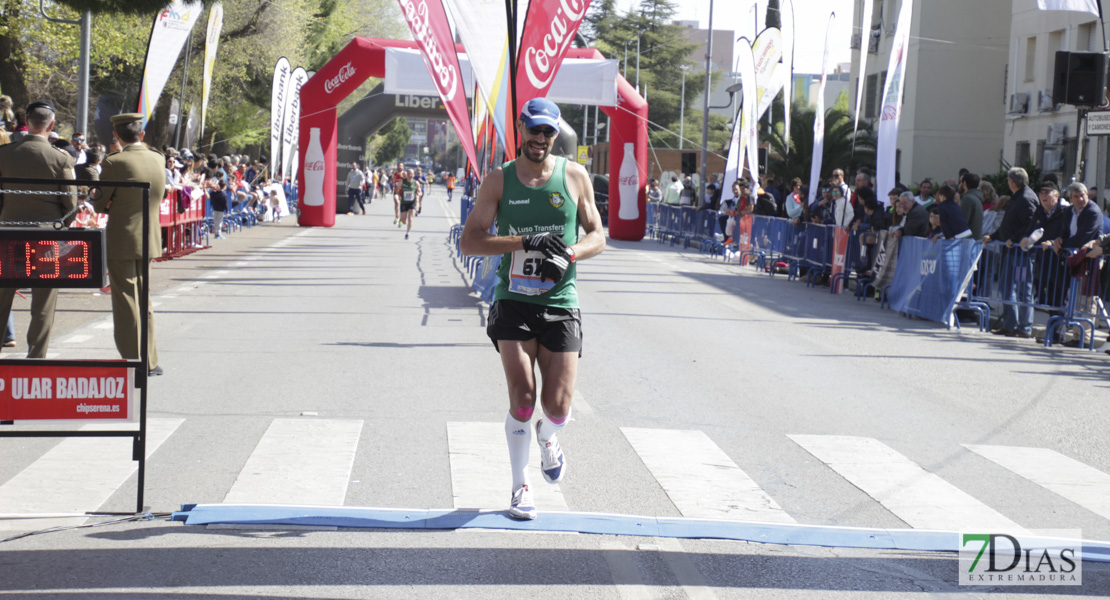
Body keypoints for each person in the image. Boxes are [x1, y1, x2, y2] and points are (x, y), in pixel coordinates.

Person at [459, 97, 605, 521]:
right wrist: (526, 242)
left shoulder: (574, 176)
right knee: (523, 399)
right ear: (521, 129)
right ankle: (520, 486)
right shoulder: (499, 180)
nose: (540, 138)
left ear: (555, 135)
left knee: (557, 407)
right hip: (513, 300)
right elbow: (470, 241)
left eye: (548, 132)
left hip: (560, 302)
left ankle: (549, 437)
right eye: (534, 130)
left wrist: (571, 253)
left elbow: (598, 234)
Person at [0, 99, 78, 358]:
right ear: (51, 125)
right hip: (46, 235)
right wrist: (59, 227)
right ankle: (36, 357)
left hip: (8, 233)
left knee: (2, 297)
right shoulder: (60, 159)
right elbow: (71, 204)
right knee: (43, 301)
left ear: (28, 123)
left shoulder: (5, 154)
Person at [93, 113, 166, 376]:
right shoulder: (158, 158)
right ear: (142, 135)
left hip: (123, 237)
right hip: (150, 236)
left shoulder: (115, 162)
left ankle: (131, 359)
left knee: (125, 300)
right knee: (144, 299)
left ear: (116, 135)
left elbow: (99, 203)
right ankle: (150, 359)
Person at [986, 167, 1038, 339]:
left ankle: (1024, 327)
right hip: (1011, 252)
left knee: (1023, 290)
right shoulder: (1018, 197)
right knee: (1006, 287)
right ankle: (1009, 325)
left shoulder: (1025, 198)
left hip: (1020, 254)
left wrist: (1015, 238)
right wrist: (993, 237)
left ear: (1012, 182)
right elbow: (1009, 224)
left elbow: (1030, 224)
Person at [957, 173, 984, 240]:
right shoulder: (976, 198)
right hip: (975, 241)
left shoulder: (967, 199)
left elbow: (962, 222)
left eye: (960, 182)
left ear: (964, 183)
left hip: (968, 243)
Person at [398, 168, 418, 240]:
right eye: (409, 173)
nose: (410, 175)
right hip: (404, 202)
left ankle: (407, 233)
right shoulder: (402, 182)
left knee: (410, 218)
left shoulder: (416, 183)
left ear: (413, 175)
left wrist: (419, 193)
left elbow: (419, 191)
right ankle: (403, 219)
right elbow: (397, 189)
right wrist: (399, 195)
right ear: (406, 174)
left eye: (411, 173)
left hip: (412, 202)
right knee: (403, 220)